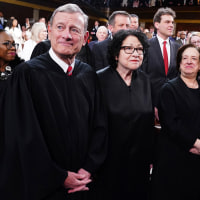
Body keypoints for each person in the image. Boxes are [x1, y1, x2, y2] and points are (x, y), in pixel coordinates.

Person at [0, 3, 107, 200]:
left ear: (85, 38)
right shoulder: (26, 75)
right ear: (49, 31)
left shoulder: (88, 75)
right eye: (60, 27)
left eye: (74, 30)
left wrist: (89, 168)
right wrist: (58, 176)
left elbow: (99, 126)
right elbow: (21, 136)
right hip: (42, 188)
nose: (66, 35)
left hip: (84, 184)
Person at [92, 29, 154, 200]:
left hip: (139, 164)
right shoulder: (98, 80)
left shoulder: (145, 81)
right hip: (107, 165)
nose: (135, 53)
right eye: (128, 48)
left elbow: (148, 123)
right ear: (116, 54)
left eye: (140, 49)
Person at [151, 44, 200, 200]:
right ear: (179, 63)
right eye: (184, 58)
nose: (189, 61)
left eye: (194, 58)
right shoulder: (169, 89)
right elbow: (172, 125)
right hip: (175, 155)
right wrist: (196, 143)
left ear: (199, 65)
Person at [141, 7, 181, 121]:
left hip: (172, 102)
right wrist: (150, 104)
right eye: (167, 22)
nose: (171, 25)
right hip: (150, 104)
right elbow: (142, 77)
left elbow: (177, 76)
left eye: (172, 22)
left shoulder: (177, 47)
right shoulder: (146, 46)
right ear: (157, 25)